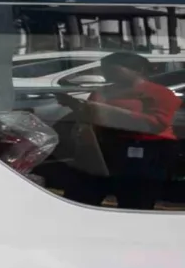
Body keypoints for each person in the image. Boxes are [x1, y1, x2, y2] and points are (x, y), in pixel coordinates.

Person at [56, 50, 180, 211]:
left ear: (138, 70)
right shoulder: (103, 91)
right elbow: (92, 115)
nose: (106, 74)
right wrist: (76, 106)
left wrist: (108, 111)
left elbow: (156, 124)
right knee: (81, 196)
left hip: (144, 151)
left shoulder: (160, 93)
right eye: (104, 69)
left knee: (135, 200)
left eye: (112, 69)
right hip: (102, 149)